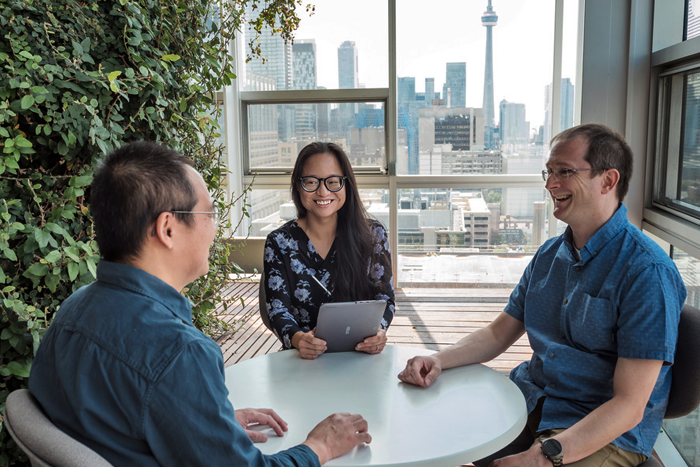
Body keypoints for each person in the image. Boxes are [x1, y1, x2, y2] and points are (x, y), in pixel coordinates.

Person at [28, 141, 371, 466]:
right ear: (168, 229)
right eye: (209, 213)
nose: (214, 229)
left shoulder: (72, 311)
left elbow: (112, 417)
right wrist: (320, 446)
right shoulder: (179, 354)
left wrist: (202, 421)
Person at [398, 124, 686, 467]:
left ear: (608, 181)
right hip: (531, 399)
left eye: (564, 172)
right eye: (549, 172)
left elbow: (629, 406)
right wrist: (438, 359)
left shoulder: (647, 272)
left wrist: (540, 458)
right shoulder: (550, 254)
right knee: (427, 442)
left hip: (598, 428)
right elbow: (496, 333)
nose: (551, 184)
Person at [263, 142, 395, 360]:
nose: (323, 191)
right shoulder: (279, 242)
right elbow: (277, 311)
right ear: (298, 185)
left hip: (362, 357)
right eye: (311, 182)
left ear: (346, 185)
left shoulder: (374, 236)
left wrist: (379, 332)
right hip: (302, 361)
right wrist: (299, 339)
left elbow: (385, 299)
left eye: (333, 182)